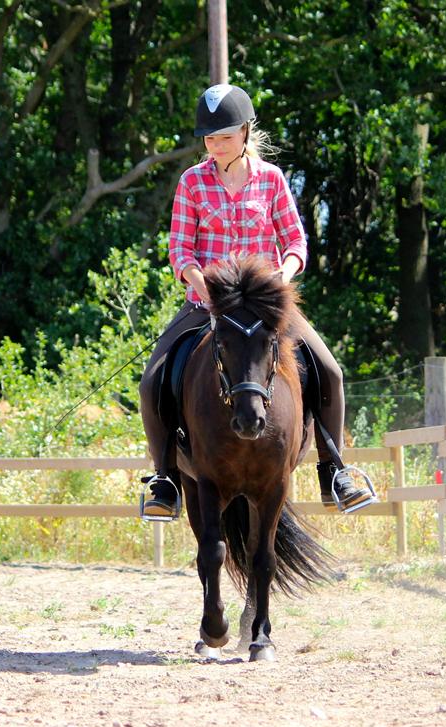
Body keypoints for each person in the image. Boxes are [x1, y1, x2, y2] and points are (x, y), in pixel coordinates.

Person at [138, 83, 375, 519]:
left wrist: (279, 281)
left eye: (224, 136)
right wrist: (201, 286)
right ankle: (165, 478)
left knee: (331, 372)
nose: (216, 145)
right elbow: (180, 250)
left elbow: (296, 242)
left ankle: (334, 470)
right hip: (208, 304)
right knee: (152, 380)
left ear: (246, 133)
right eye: (210, 138)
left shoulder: (271, 180)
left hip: (265, 307)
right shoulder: (192, 181)